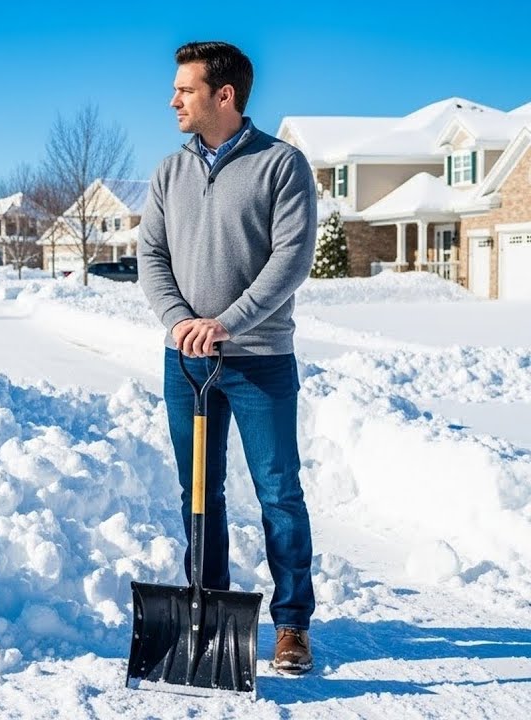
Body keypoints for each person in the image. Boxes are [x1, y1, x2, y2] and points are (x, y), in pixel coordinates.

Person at [137, 42, 318, 675]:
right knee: (198, 491)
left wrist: (228, 323)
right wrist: (181, 322)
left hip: (260, 359)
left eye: (184, 89)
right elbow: (150, 259)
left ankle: (292, 623)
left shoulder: (281, 165)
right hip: (185, 361)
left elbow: (290, 260)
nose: (172, 100)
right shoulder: (167, 172)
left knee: (278, 491)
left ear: (224, 95)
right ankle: (207, 611)